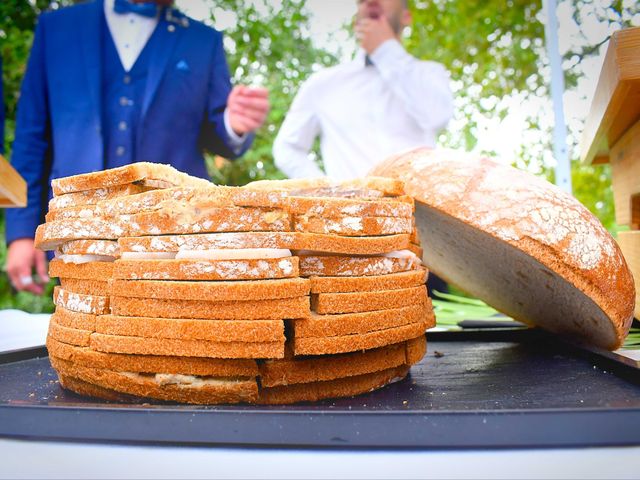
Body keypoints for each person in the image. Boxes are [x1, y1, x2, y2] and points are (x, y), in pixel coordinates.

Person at [6, 0, 269, 294]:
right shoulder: (56, 28)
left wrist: (234, 124)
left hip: (172, 237)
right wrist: (20, 232)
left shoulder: (203, 41)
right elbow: (31, 137)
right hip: (78, 232)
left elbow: (218, 135)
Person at [273, 0, 453, 180]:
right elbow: (287, 147)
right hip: (350, 205)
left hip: (419, 206)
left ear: (407, 16)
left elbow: (436, 116)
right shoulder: (322, 84)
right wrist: (326, 191)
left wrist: (385, 50)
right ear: (355, 23)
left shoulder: (430, 73)